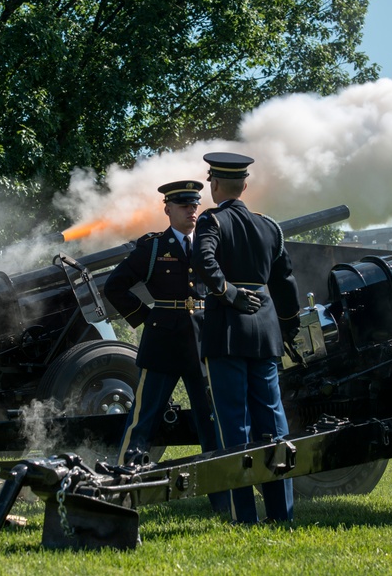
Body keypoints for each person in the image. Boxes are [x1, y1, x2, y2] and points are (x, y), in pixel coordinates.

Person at [103, 180, 230, 513]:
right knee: (143, 420)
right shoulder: (153, 247)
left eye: (195, 205)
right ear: (168, 209)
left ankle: (221, 496)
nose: (192, 211)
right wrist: (146, 317)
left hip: (202, 343)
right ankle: (121, 491)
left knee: (211, 421)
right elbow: (114, 286)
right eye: (184, 206)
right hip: (162, 342)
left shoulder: (208, 245)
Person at [191, 152, 302, 524]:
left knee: (233, 425)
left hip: (227, 332)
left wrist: (229, 293)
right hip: (266, 330)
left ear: (216, 185)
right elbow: (285, 282)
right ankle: (281, 512)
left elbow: (205, 264)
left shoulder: (211, 220)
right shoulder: (270, 227)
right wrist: (289, 325)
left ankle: (244, 515)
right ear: (245, 185)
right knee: (273, 422)